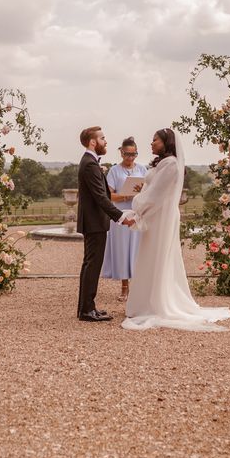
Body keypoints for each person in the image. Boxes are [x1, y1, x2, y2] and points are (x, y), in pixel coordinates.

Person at [121, 128, 230, 331]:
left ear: (166, 143)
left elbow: (156, 195)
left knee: (158, 256)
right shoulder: (163, 163)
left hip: (161, 218)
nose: (151, 143)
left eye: (155, 140)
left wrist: (136, 206)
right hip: (155, 217)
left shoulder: (171, 164)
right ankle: (145, 301)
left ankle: (156, 302)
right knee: (150, 256)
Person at [77, 126, 134, 322]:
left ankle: (87, 307)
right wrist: (121, 217)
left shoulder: (90, 162)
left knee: (90, 265)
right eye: (102, 138)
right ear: (93, 142)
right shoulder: (90, 165)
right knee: (92, 265)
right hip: (94, 223)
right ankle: (86, 311)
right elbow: (101, 198)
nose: (106, 141)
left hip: (94, 222)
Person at [101, 137, 147, 301]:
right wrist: (125, 195)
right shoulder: (114, 171)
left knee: (138, 249)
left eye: (133, 154)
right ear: (121, 152)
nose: (130, 158)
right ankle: (124, 287)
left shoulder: (143, 169)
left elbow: (149, 191)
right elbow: (109, 195)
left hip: (138, 213)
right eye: (127, 154)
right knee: (123, 250)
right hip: (120, 215)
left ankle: (140, 287)